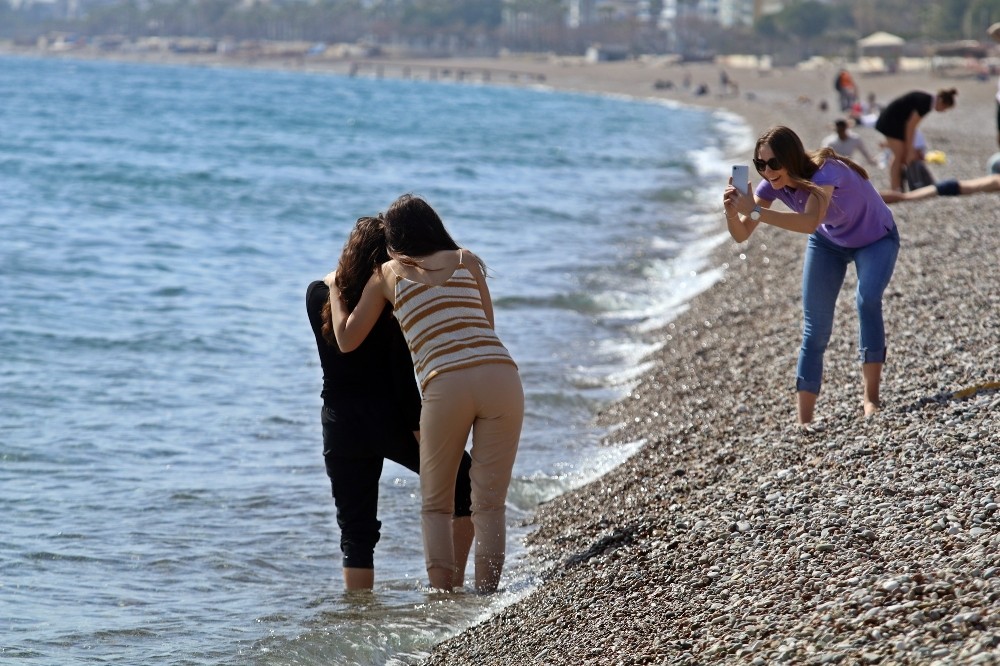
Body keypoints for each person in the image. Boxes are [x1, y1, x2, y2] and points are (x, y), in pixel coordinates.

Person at [326, 196, 524, 594]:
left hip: (445, 385)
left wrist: (333, 287)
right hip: (502, 377)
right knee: (490, 499)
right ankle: (487, 596)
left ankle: (443, 599)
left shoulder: (387, 274)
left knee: (437, 503)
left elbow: (346, 340)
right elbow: (485, 324)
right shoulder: (468, 260)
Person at [307, 215, 474, 591]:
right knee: (467, 480)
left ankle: (358, 623)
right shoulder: (392, 302)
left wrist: (335, 286)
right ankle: (453, 587)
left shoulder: (317, 294)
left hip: (340, 424)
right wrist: (422, 436)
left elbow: (341, 349)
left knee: (356, 533)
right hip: (390, 421)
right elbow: (402, 378)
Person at [724, 126, 900, 425]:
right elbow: (741, 234)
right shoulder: (772, 185)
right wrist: (732, 211)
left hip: (876, 239)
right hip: (829, 243)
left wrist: (754, 211)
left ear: (791, 158)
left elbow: (808, 222)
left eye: (774, 163)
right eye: (760, 165)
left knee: (867, 300)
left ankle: (871, 398)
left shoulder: (826, 172)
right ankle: (805, 421)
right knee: (815, 328)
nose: (768, 172)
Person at [874, 89, 957, 192]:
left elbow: (910, 125)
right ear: (941, 102)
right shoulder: (925, 102)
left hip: (895, 123)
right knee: (899, 156)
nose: (943, 111)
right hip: (890, 123)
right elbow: (911, 126)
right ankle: (895, 188)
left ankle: (898, 186)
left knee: (901, 155)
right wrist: (910, 149)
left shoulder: (927, 100)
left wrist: (909, 150)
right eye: (944, 108)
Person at [881, 174, 1000, 204]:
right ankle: (876, 197)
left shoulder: (995, 178)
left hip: (950, 186)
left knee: (906, 196)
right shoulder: (997, 180)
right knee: (906, 197)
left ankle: (875, 197)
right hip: (948, 189)